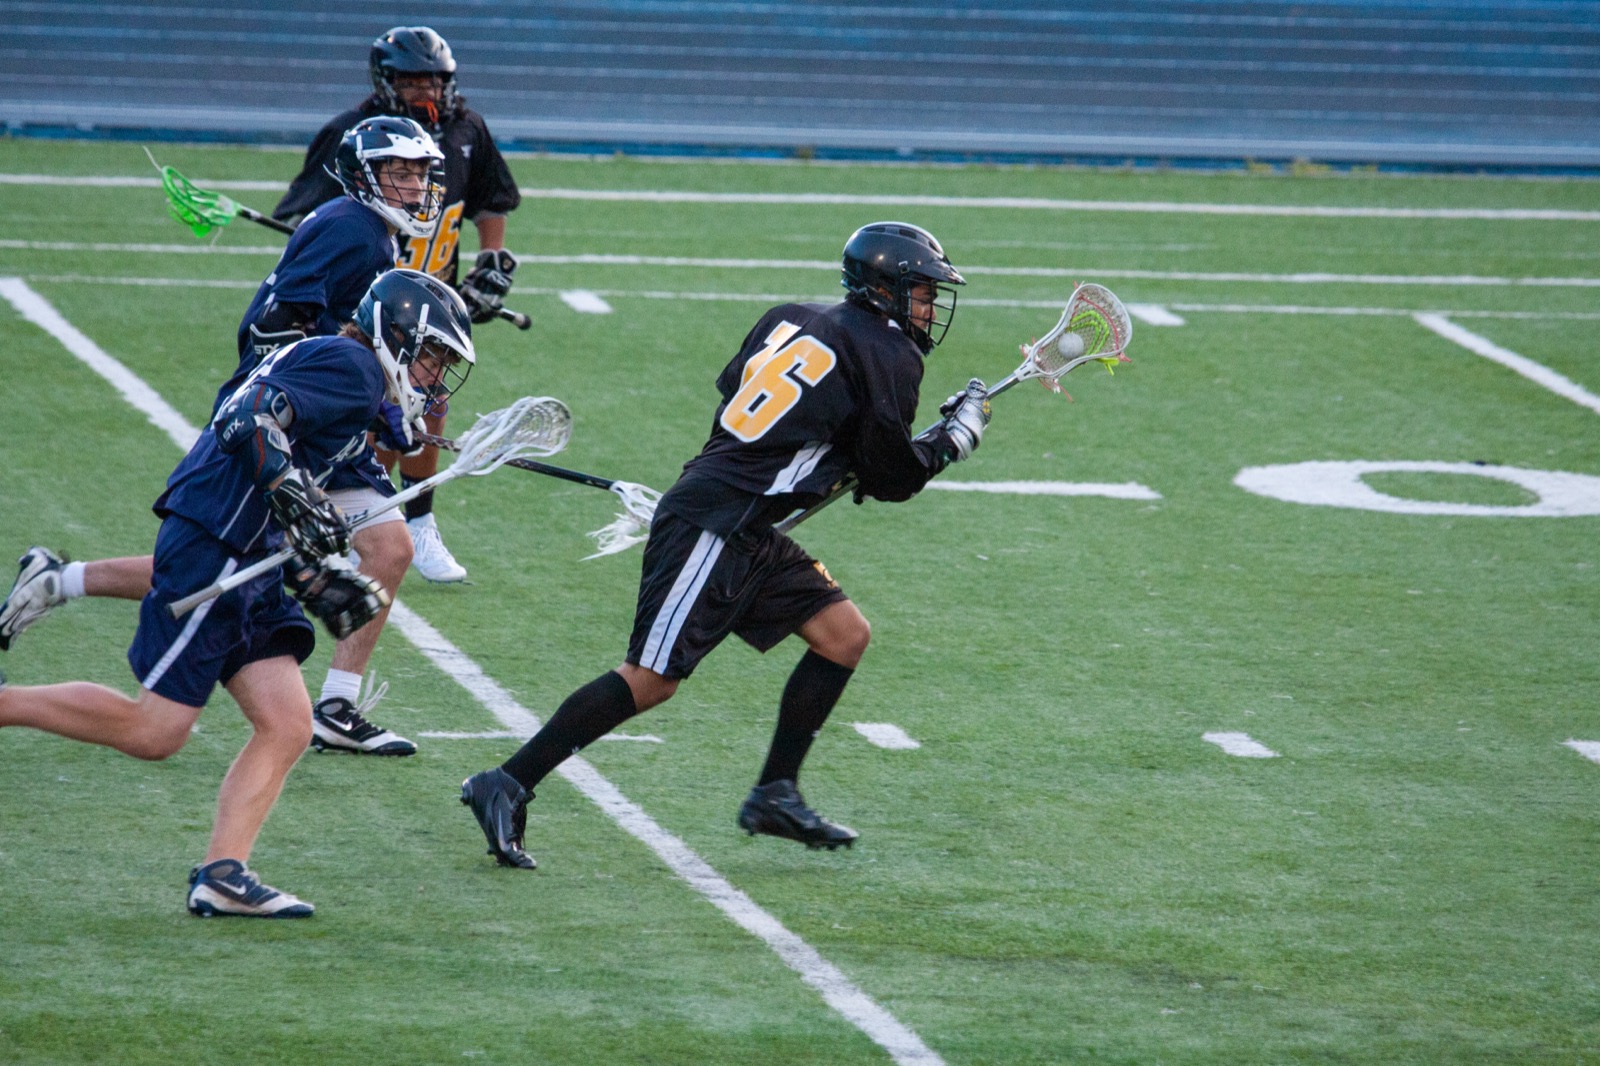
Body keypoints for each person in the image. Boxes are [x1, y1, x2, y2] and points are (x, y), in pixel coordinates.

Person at [459, 222, 992, 869]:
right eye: (924, 294)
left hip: (742, 518)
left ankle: (775, 791)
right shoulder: (890, 351)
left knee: (843, 635)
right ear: (886, 288)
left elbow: (744, 398)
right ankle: (508, 781)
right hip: (719, 522)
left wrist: (840, 456)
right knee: (651, 679)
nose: (931, 309)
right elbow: (894, 477)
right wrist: (951, 440)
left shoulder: (791, 316)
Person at [0, 269, 473, 917]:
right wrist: (295, 496)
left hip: (248, 546)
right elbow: (247, 419)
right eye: (429, 355)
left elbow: (300, 427)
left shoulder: (351, 369)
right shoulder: (350, 365)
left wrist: (309, 565)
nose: (433, 374)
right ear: (394, 332)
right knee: (155, 730)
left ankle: (223, 874)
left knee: (286, 725)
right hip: (216, 541)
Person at [0, 118, 458, 758]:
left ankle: (60, 578)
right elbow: (271, 328)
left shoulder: (359, 229)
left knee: (230, 557)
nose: (414, 187)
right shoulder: (357, 233)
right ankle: (335, 705)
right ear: (365, 175)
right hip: (281, 418)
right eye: (400, 173)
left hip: (306, 406)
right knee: (357, 547)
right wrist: (353, 403)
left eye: (418, 175)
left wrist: (375, 399)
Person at [274, 25, 523, 585]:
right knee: (365, 414)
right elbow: (307, 216)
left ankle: (418, 523)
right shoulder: (352, 136)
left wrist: (491, 261)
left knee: (427, 402)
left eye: (432, 80)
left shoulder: (465, 130)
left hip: (432, 295)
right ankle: (348, 519)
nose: (424, 92)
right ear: (385, 83)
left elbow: (490, 199)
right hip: (362, 307)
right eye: (411, 81)